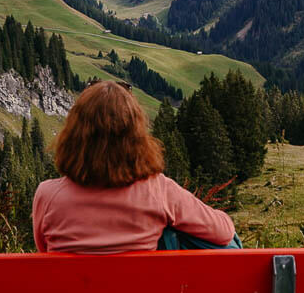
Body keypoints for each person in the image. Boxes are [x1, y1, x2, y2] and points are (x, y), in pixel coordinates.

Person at [32, 80, 240, 254]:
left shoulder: (47, 195)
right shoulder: (158, 190)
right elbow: (224, 233)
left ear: (75, 136)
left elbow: (44, 249)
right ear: (136, 137)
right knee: (173, 234)